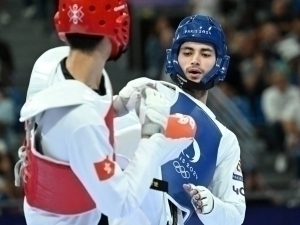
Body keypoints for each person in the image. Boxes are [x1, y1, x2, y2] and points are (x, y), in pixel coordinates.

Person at [13, 0, 196, 224]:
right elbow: (120, 204)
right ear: (121, 26)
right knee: (168, 135)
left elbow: (68, 131)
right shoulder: (80, 121)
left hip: (60, 190)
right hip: (73, 218)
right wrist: (153, 135)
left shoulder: (52, 62)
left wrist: (118, 104)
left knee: (169, 130)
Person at [113, 15, 246, 225]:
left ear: (219, 63)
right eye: (187, 52)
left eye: (205, 53)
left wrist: (211, 206)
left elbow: (235, 217)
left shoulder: (225, 140)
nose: (195, 60)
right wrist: (115, 108)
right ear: (174, 56)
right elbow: (105, 144)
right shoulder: (149, 91)